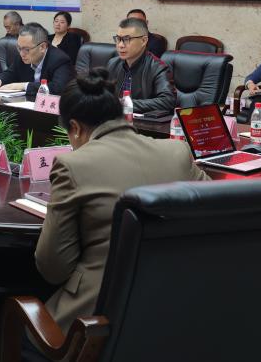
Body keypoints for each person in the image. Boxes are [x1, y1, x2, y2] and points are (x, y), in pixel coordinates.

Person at [34, 69, 208, 336]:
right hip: (180, 309)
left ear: (75, 128)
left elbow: (53, 267)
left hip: (98, 325)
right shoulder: (176, 152)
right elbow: (215, 212)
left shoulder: (73, 165)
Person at [106, 17, 176, 115]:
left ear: (143, 41)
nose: (120, 45)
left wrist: (125, 104)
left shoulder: (157, 67)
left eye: (126, 39)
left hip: (142, 122)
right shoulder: (112, 64)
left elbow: (167, 101)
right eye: (118, 39)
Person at [0, 23, 74, 99]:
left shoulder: (60, 60)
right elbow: (11, 73)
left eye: (27, 49)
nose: (22, 53)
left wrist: (23, 86)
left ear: (42, 47)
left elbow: (58, 88)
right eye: (19, 48)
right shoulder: (22, 55)